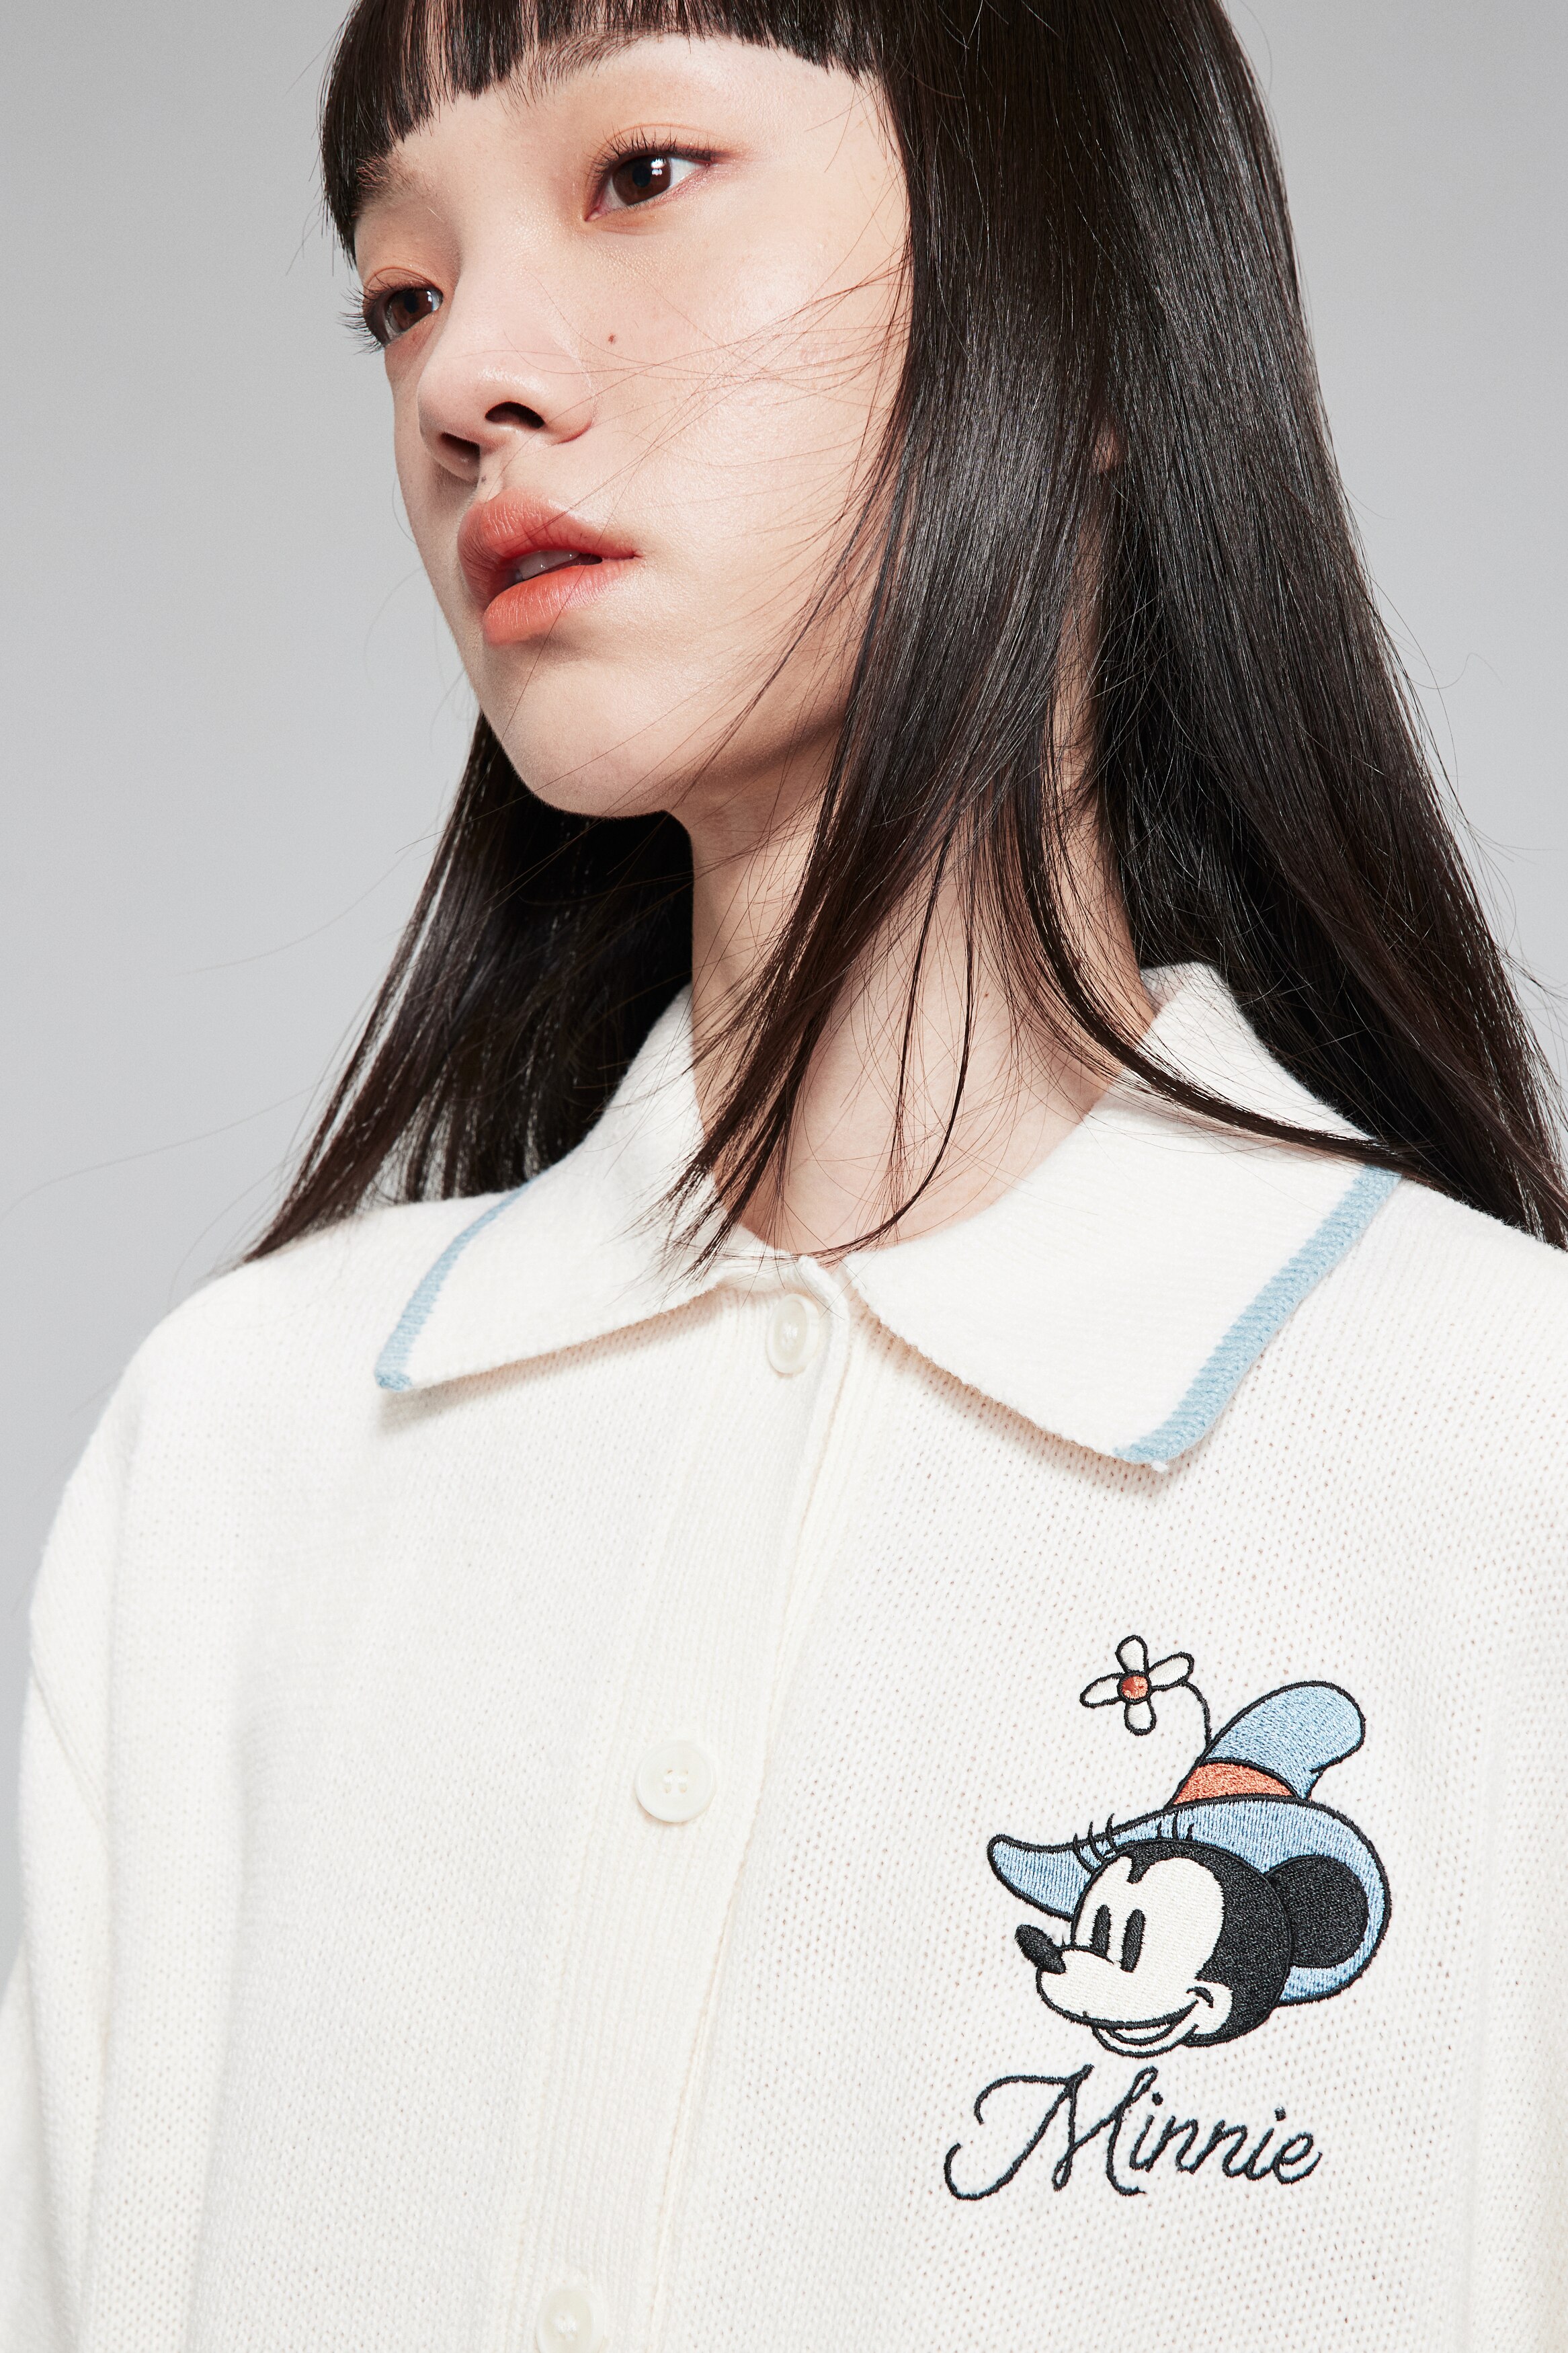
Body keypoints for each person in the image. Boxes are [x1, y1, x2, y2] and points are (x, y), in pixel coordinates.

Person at [3, 0, 1565, 2345]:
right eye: (402, 290)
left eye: (641, 174)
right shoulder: (239, 1455)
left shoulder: (1503, 1463)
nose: (464, 378)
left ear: (1088, 295)